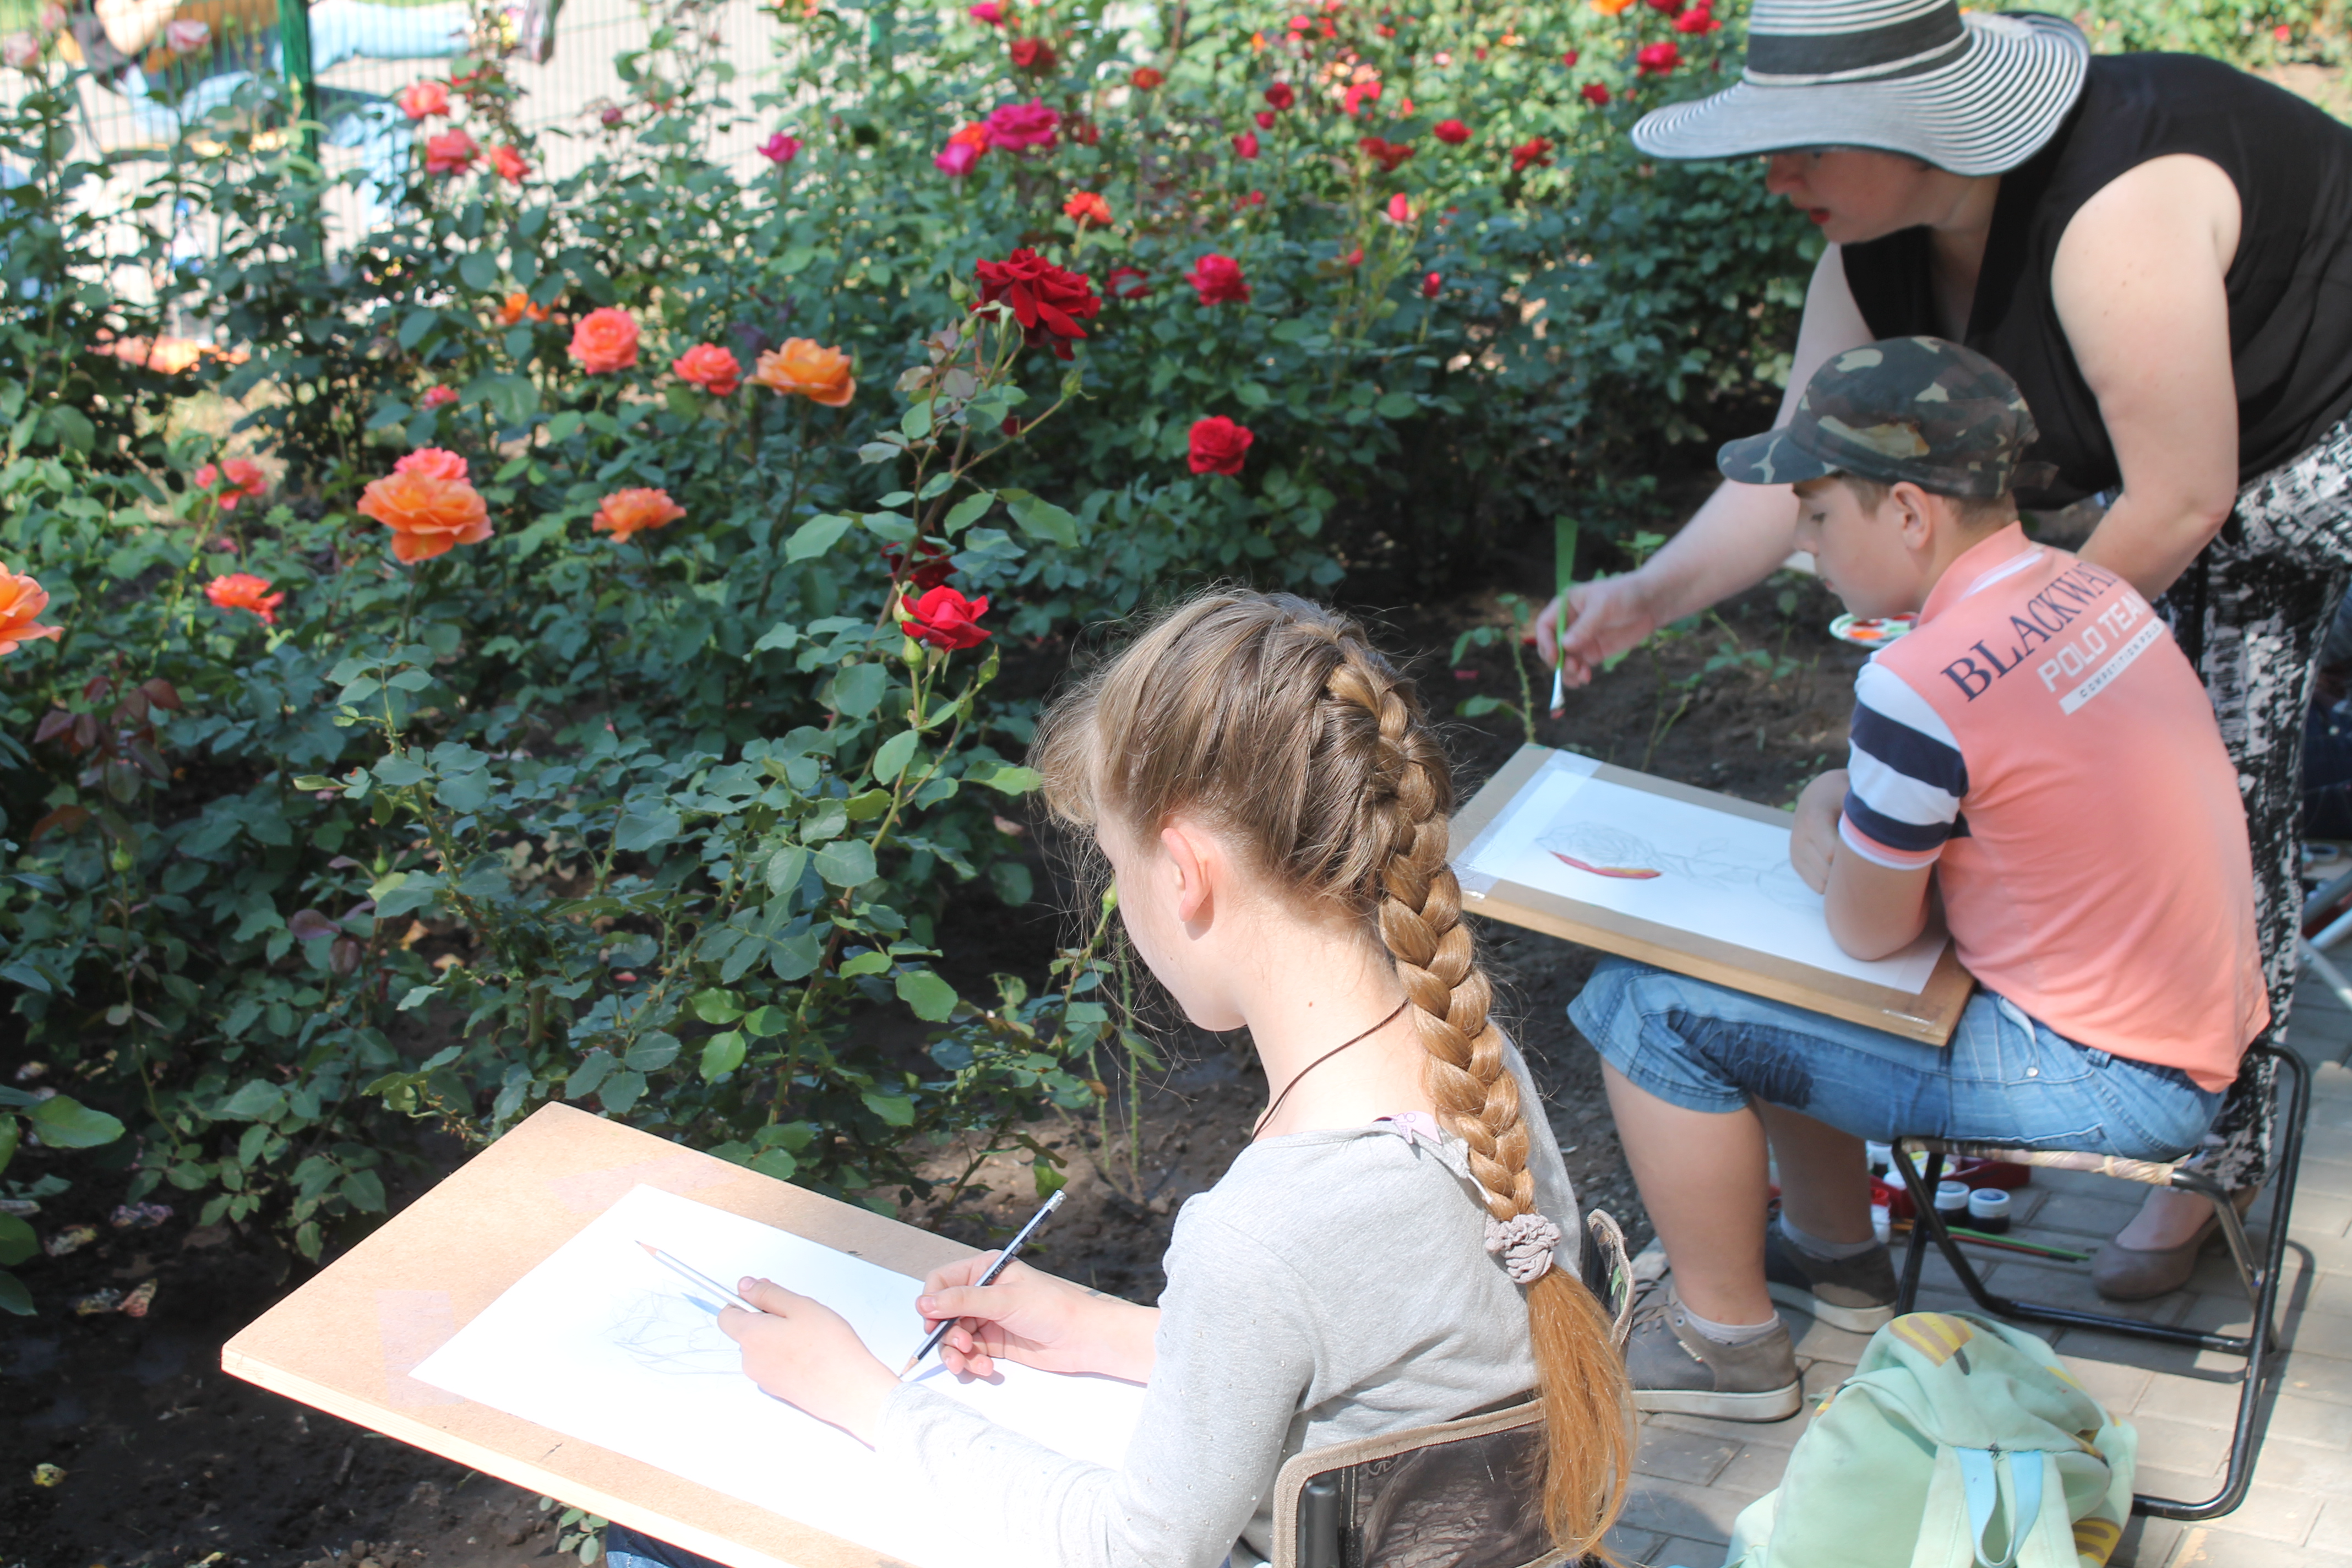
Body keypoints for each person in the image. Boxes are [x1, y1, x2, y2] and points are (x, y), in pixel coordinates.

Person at [1537, 0, 2352, 1286]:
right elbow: (1801, 468)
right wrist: (1649, 592)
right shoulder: (1863, 247)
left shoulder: (2115, 215)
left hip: (2302, 443)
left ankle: (2209, 1163)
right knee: (2063, 749)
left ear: (1919, 125)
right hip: (2174, 472)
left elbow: (2184, 495)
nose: (1776, 175)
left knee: (2209, 767)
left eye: (1807, 143)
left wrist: (2000, 671)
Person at [608, 591, 1636, 1568]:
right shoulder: (1471, 1060)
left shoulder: (1265, 1230)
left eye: (1113, 859)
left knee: (653, 1543)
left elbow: (1134, 1550)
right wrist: (1100, 1331)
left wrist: (864, 1397)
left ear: (1183, 871)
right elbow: (1399, 1351)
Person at [1567, 337, 2268, 1419]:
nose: (1804, 544)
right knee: (1759, 985)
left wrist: (1821, 808)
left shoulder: (1918, 680)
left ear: (1906, 511)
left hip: (2102, 1071)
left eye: (1816, 513)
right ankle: (1836, 1260)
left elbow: (1867, 932)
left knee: (1641, 1004)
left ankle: (1727, 1344)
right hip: (2195, 1028)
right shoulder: (2091, 590)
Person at [63, 0, 473, 230]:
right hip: (173, 92)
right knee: (341, 24)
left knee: (385, 120)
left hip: (224, 58)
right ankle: (486, 30)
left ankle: (389, 264)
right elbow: (124, 34)